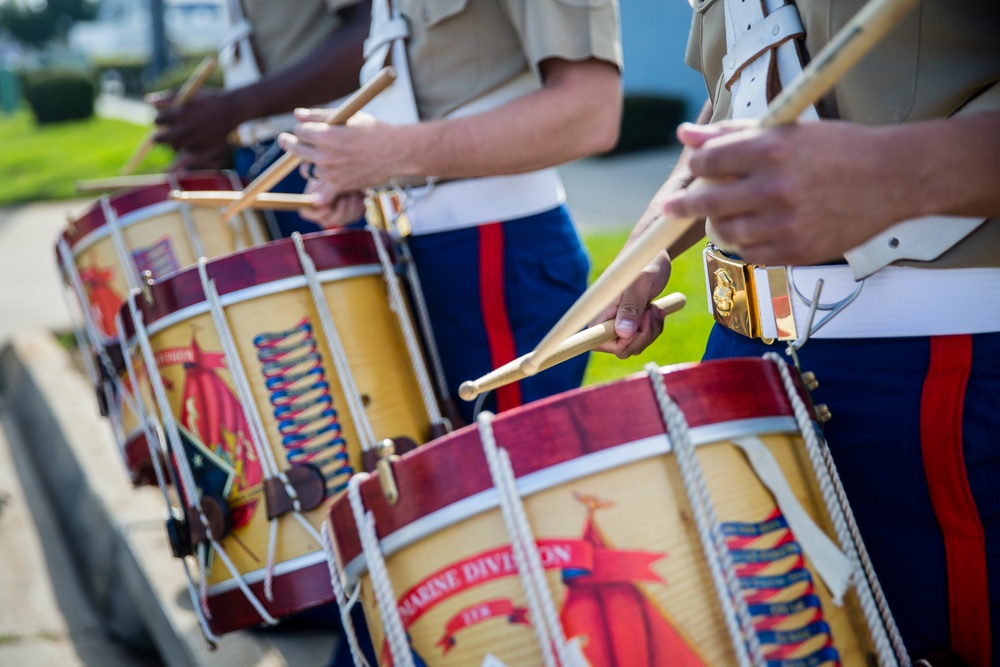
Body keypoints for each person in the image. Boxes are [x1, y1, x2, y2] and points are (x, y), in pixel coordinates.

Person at [596, 0, 1000, 664]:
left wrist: (893, 171)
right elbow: (739, 102)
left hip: (936, 370)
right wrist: (649, 241)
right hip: (736, 366)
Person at [279, 0, 624, 425]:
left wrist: (394, 153)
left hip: (494, 253)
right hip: (411, 254)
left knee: (508, 474)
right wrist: (363, 172)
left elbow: (590, 111)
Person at [151, 0, 371, 237]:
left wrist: (232, 108)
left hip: (324, 152)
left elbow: (368, 35)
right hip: (261, 162)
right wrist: (227, 141)